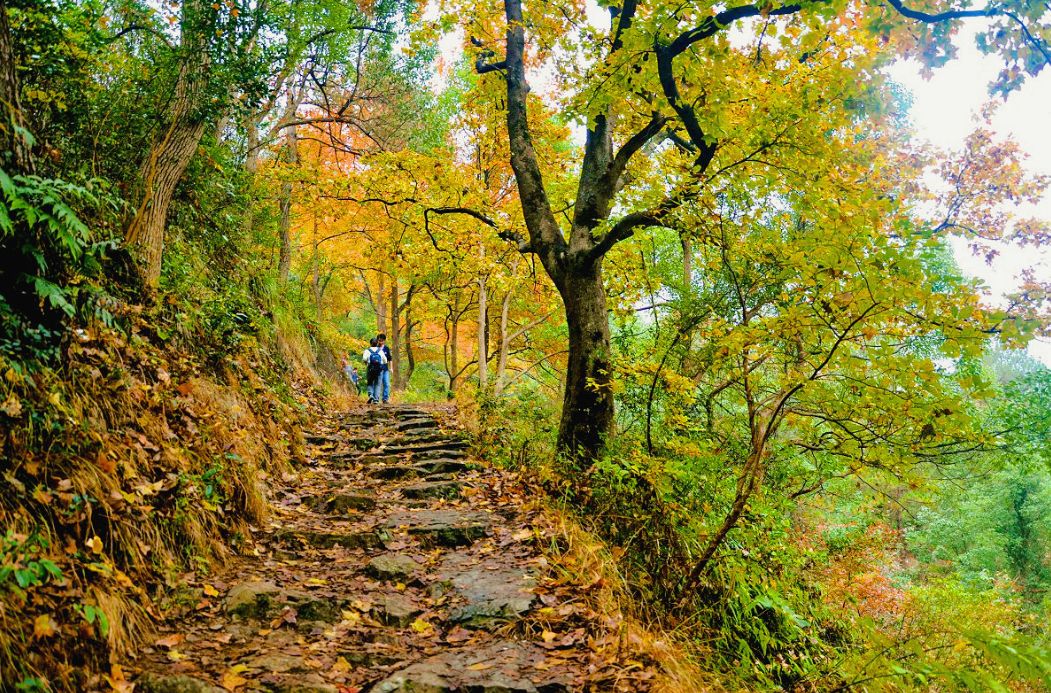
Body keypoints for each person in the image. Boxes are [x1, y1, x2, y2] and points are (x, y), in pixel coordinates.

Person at [362, 338, 387, 404]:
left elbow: (364, 359)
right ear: (377, 343)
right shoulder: (380, 351)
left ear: (370, 343)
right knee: (377, 384)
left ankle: (370, 395)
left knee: (370, 382)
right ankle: (376, 399)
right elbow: (385, 361)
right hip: (379, 370)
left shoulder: (367, 350)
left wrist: (367, 362)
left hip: (370, 368)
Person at [376, 333, 392, 404]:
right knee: (377, 384)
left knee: (387, 384)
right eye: (379, 340)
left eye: (382, 340)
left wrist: (391, 368)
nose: (380, 342)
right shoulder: (375, 348)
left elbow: (390, 359)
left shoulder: (386, 348)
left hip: (385, 369)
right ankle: (376, 398)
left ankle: (385, 399)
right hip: (377, 369)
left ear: (384, 341)